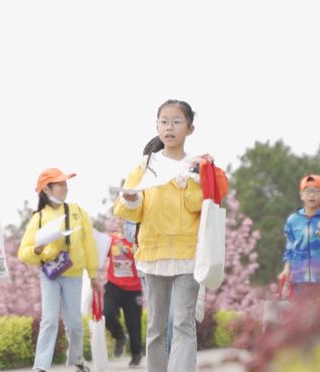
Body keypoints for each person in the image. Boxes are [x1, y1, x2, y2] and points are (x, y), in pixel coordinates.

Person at [114, 99, 215, 372]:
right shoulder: (144, 165)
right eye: (164, 121)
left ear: (190, 128)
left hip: (187, 254)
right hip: (153, 252)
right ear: (157, 126)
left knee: (183, 324)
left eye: (176, 121)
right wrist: (132, 199)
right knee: (156, 327)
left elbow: (200, 206)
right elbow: (127, 210)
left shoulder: (196, 166)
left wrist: (194, 180)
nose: (169, 127)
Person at [18, 168, 99, 372]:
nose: (65, 188)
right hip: (50, 275)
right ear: (46, 189)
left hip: (73, 274)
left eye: (65, 183)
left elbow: (89, 244)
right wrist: (36, 250)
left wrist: (94, 274)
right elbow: (23, 252)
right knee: (49, 320)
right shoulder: (38, 218)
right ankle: (41, 366)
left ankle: (77, 360)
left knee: (74, 323)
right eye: (60, 184)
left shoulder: (78, 212)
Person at [103, 231, 143, 367]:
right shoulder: (112, 238)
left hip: (133, 289)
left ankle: (136, 355)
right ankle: (119, 336)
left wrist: (126, 250)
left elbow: (142, 256)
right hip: (114, 285)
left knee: (133, 324)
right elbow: (100, 254)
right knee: (107, 313)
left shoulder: (139, 237)